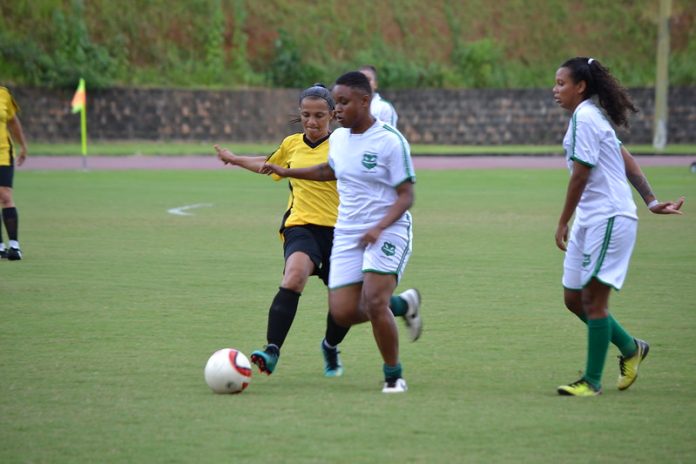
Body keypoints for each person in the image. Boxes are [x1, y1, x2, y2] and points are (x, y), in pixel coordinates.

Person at [214, 84, 421, 379]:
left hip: (342, 232)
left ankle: (385, 312)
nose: (312, 122)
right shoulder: (292, 144)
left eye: (319, 116)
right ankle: (271, 350)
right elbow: (269, 165)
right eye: (306, 115)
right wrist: (234, 159)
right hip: (301, 226)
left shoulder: (343, 142)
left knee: (346, 309)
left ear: (332, 115)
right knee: (294, 275)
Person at [552, 57, 684, 396]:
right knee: (573, 299)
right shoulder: (591, 117)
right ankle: (631, 348)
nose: (555, 90)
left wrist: (562, 219)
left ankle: (591, 382)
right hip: (590, 218)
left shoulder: (585, 117)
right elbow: (624, 157)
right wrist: (652, 201)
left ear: (580, 86)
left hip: (609, 216)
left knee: (595, 302)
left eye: (561, 83)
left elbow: (581, 174)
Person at [0, 85, 28, 261]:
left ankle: (14, 246)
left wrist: (23, 145)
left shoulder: (3, 93)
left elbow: (12, 121)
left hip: (3, 151)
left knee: (5, 194)